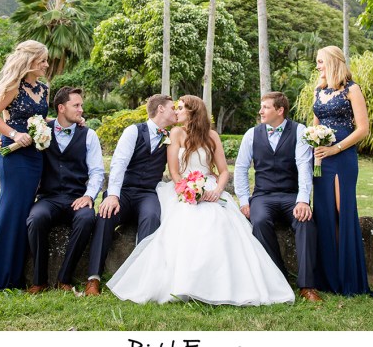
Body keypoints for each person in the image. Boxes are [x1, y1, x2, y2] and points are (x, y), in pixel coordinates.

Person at [106, 95, 295, 305]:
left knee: (220, 221)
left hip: (211, 188)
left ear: (193, 111)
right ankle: (184, 284)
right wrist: (187, 190)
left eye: (180, 108)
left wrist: (217, 191)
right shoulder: (175, 134)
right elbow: (174, 172)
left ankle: (222, 284)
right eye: (175, 107)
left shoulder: (212, 136)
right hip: (183, 189)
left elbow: (223, 171)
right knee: (186, 220)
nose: (176, 111)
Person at [0, 40, 50, 293]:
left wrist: (70, 121)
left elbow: (41, 118)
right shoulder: (12, 87)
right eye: (42, 60)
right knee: (12, 209)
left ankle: (13, 276)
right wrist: (14, 135)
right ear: (29, 62)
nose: (46, 64)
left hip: (35, 154)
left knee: (23, 210)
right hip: (15, 156)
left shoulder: (43, 89)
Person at [83, 94, 177, 296]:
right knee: (106, 215)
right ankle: (93, 278)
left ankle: (141, 277)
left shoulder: (171, 136)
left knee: (152, 217)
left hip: (148, 193)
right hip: (124, 192)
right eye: (172, 108)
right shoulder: (133, 131)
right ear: (160, 109)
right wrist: (113, 195)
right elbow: (119, 163)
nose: (175, 111)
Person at [234, 91, 322, 302]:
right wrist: (245, 201)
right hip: (263, 196)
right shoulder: (252, 134)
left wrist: (302, 200)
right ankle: (278, 278)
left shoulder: (299, 131)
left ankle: (307, 286)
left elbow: (304, 166)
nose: (260, 111)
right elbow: (240, 168)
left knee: (306, 222)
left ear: (280, 110)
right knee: (260, 221)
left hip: (291, 195)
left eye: (265, 107)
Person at [25, 87, 104, 293]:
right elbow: (20, 149)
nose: (81, 109)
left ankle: (64, 278)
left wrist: (88, 196)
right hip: (48, 198)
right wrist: (0, 143)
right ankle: (39, 281)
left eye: (81, 105)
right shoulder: (40, 130)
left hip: (76, 197)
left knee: (87, 218)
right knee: (36, 219)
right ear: (61, 108)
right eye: (76, 105)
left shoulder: (89, 135)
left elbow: (97, 171)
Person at [311, 45, 373, 296]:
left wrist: (335, 149)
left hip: (342, 158)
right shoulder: (318, 90)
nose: (317, 66)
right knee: (324, 212)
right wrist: (313, 143)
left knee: (341, 210)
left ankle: (348, 277)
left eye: (320, 62)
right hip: (321, 159)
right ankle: (327, 278)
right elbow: (315, 125)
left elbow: (363, 129)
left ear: (332, 62)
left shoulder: (352, 89)